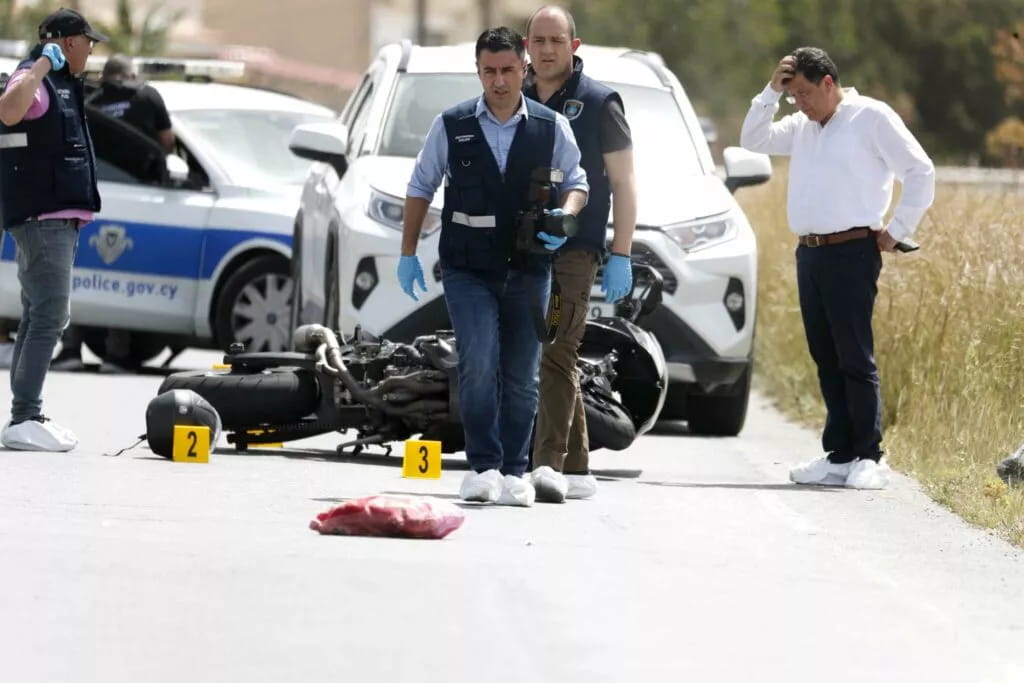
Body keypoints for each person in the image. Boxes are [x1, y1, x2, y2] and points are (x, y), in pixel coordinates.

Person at [399, 26, 588, 506]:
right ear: (478, 71)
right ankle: (483, 467)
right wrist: (407, 253)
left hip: (529, 267)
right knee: (479, 363)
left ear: (524, 68)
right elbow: (420, 186)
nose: (499, 81)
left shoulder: (550, 126)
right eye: (489, 71)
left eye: (507, 70)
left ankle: (514, 471)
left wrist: (565, 217)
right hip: (468, 268)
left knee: (523, 374)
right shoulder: (452, 124)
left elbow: (578, 181)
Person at [740, 47, 935, 490]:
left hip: (852, 251)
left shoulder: (871, 117)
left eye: (804, 93)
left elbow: (920, 171)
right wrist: (771, 92)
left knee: (854, 355)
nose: (800, 103)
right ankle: (840, 454)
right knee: (825, 356)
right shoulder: (803, 125)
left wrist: (897, 229)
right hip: (810, 253)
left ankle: (869, 456)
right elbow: (753, 138)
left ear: (828, 83)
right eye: (793, 96)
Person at [522, 5, 637, 503]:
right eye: (538, 40)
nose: (547, 50)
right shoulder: (513, 96)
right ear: (527, 46)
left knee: (557, 347)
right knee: (539, 352)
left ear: (574, 46)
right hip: (522, 247)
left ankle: (545, 464)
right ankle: (577, 466)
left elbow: (624, 182)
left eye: (556, 41)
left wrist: (621, 252)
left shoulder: (599, 102)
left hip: (575, 249)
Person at [0, 8, 107, 451]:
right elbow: (8, 111)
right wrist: (42, 63)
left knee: (39, 314)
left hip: (56, 217)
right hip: (43, 218)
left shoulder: (62, 83)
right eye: (88, 42)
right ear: (67, 42)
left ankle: (25, 415)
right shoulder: (37, 76)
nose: (91, 50)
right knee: (49, 316)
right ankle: (24, 416)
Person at [51, 53, 175, 371]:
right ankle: (116, 355)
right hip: (139, 199)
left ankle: (70, 349)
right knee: (121, 274)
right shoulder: (147, 96)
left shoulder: (90, 99)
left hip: (88, 195)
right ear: (131, 75)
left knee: (81, 274)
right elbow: (167, 143)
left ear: (103, 76)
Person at [88, 53, 174, 152]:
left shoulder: (90, 99)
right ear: (133, 76)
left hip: (102, 161)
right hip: (143, 161)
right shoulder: (150, 95)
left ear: (102, 77)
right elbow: (166, 140)